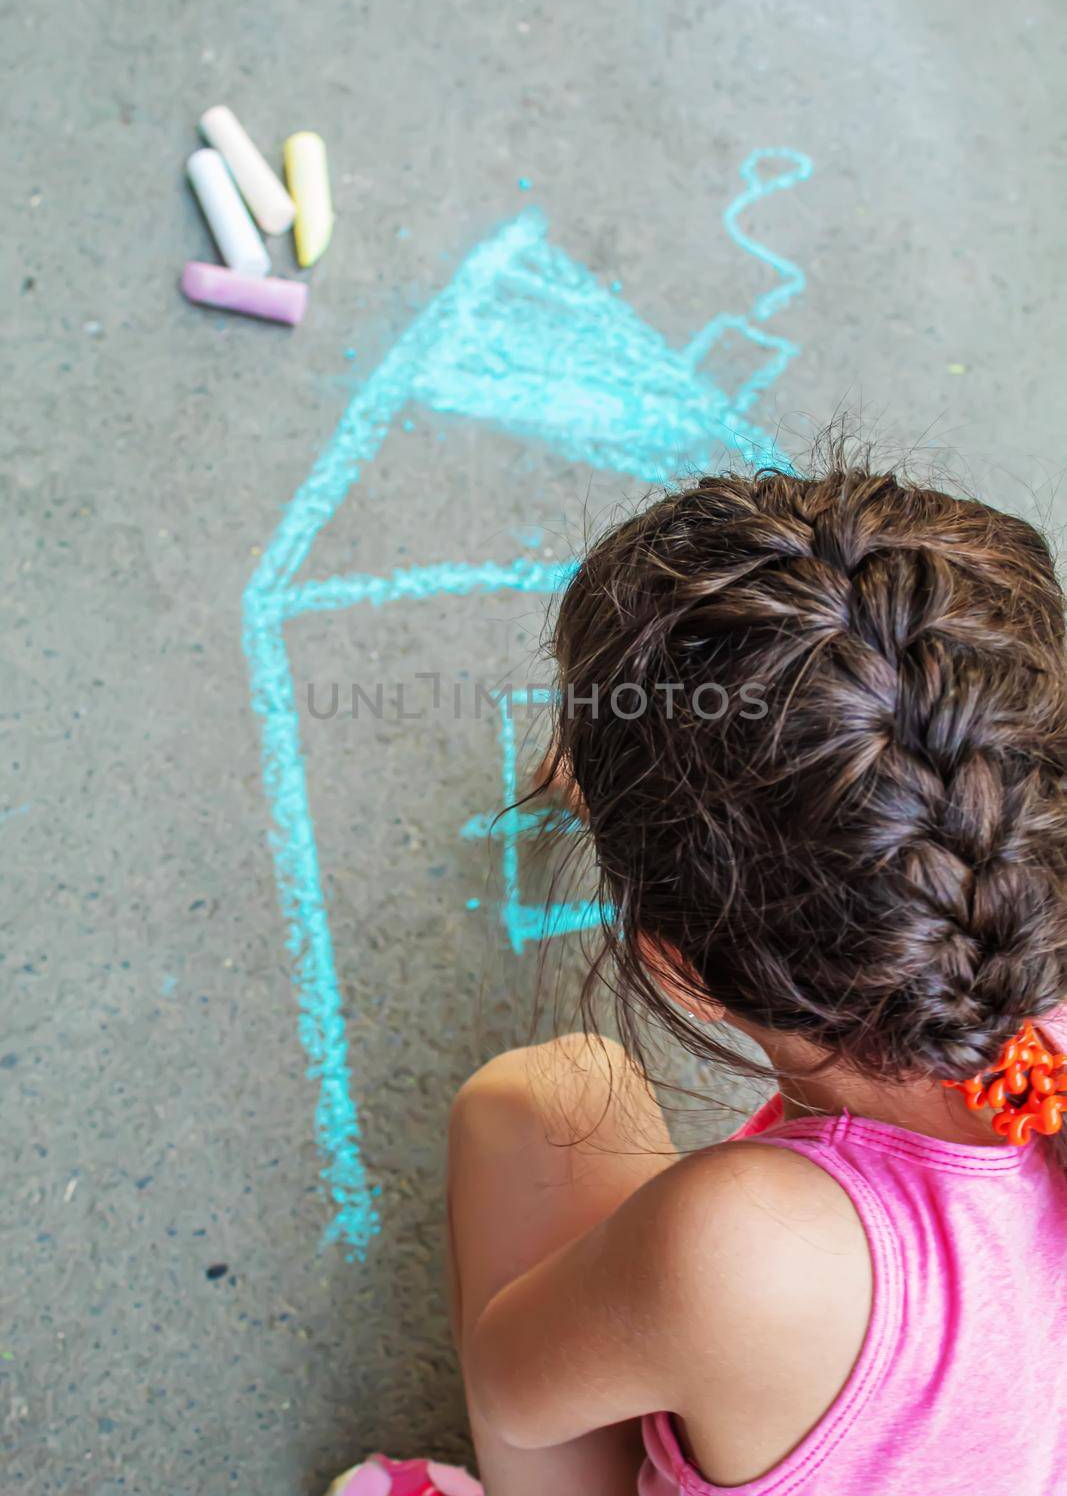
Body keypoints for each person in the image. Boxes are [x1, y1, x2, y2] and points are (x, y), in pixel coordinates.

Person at [331, 465, 1067, 1496]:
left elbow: (514, 1386)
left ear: (674, 967)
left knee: (543, 1101)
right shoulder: (1019, 964)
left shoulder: (742, 1246)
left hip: (760, 1311)